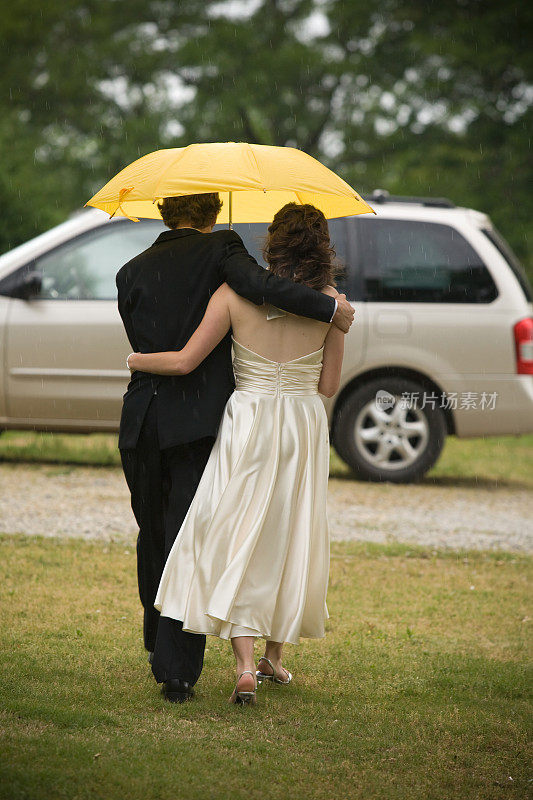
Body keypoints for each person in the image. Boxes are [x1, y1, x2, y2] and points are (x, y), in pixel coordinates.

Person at [116, 193, 354, 703]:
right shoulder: (330, 304)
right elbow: (329, 385)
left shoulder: (210, 290)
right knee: (287, 534)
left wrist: (136, 360)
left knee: (222, 531)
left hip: (234, 419)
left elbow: (183, 360)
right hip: (299, 422)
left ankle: (227, 662)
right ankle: (272, 658)